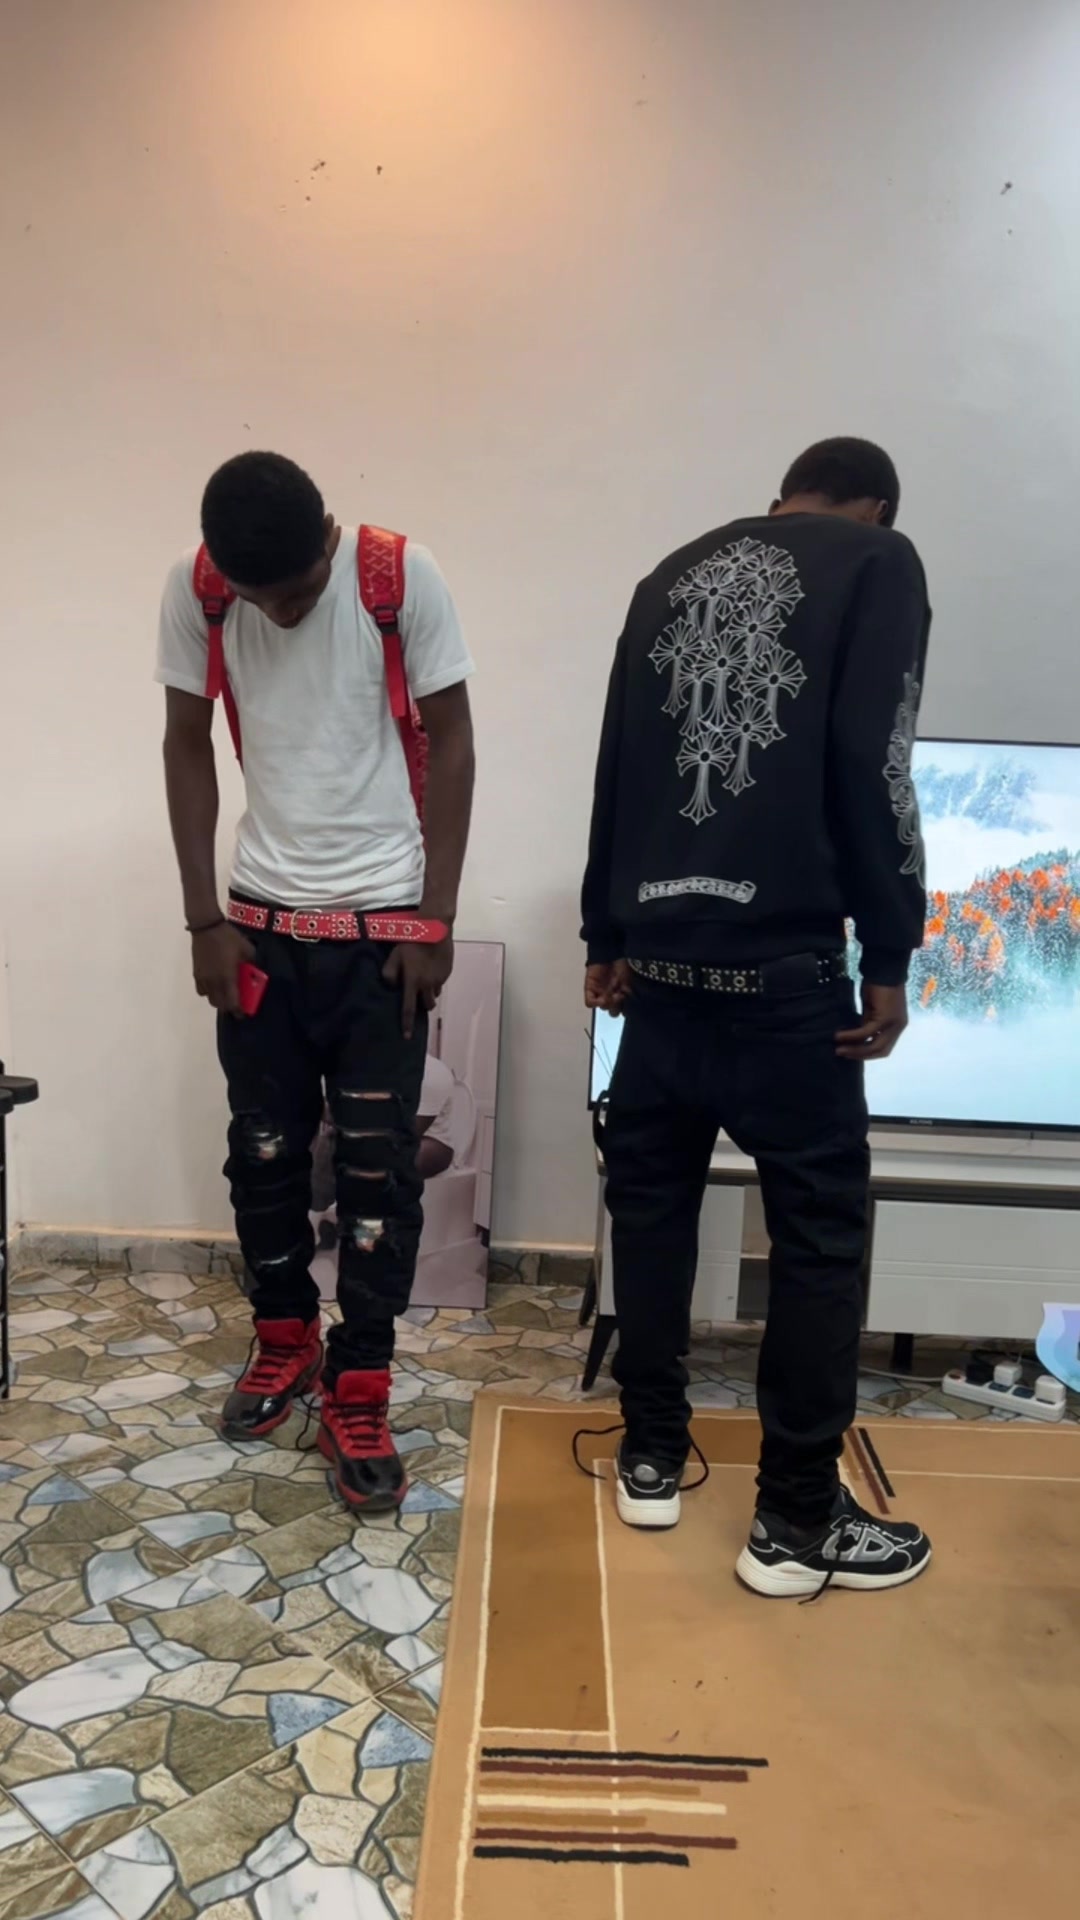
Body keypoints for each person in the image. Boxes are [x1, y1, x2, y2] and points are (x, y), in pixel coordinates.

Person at [581, 436, 933, 1598]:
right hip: (789, 994)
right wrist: (891, 951)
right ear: (877, 507)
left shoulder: (668, 573)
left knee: (651, 1217)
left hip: (659, 986)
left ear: (785, 494)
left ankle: (649, 1454)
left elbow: (619, 762)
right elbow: (876, 759)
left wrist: (603, 934)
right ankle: (793, 1521)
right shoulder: (877, 564)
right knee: (819, 1243)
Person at [159, 451, 475, 1511]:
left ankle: (361, 1383)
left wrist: (434, 918)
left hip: (381, 935)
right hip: (257, 932)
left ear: (328, 539)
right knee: (263, 1157)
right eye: (258, 598)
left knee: (380, 1176)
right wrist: (205, 919)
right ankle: (285, 1337)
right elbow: (185, 742)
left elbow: (455, 739)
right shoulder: (199, 589)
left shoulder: (399, 576)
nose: (278, 614)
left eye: (295, 593)